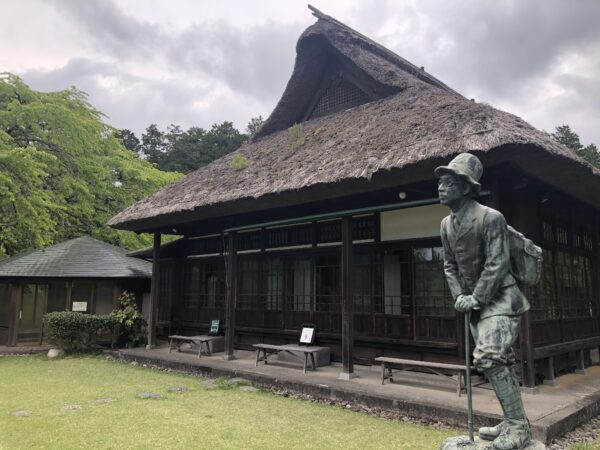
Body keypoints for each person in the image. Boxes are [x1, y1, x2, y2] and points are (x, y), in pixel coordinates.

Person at [435, 153, 531, 450]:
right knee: (501, 361)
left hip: (501, 299)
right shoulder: (446, 225)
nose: (441, 187)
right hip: (475, 304)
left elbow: (497, 263)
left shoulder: (490, 218)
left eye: (448, 182)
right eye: (440, 182)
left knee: (488, 356)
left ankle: (518, 427)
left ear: (466, 187)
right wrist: (459, 296)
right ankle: (512, 419)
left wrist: (476, 297)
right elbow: (449, 265)